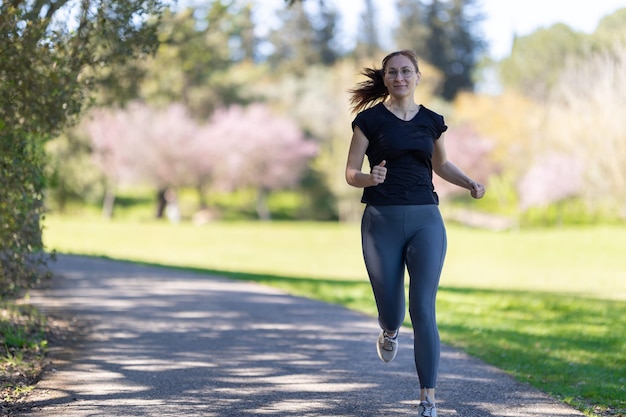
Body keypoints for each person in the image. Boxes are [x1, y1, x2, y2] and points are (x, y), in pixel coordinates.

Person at [345, 50, 486, 417]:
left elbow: (441, 165)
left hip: (426, 218)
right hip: (381, 220)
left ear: (418, 76)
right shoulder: (368, 120)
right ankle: (389, 330)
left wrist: (469, 181)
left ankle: (428, 399)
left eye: (406, 71)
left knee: (423, 308)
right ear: (385, 77)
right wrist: (368, 177)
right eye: (393, 72)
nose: (400, 77)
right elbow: (349, 172)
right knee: (392, 311)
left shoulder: (432, 121)